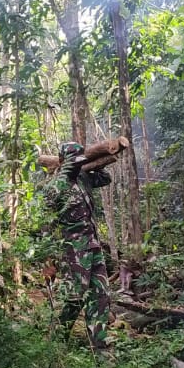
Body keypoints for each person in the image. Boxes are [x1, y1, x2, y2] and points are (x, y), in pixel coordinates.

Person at [42, 141, 112, 348]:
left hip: (93, 246)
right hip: (72, 251)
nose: (77, 164)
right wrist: (50, 260)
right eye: (73, 161)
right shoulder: (55, 187)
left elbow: (106, 178)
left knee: (101, 295)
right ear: (62, 162)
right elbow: (45, 223)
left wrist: (95, 162)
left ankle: (99, 346)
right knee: (75, 297)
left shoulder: (84, 178)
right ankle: (56, 342)